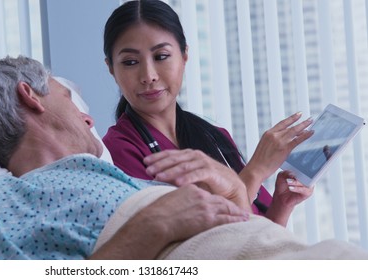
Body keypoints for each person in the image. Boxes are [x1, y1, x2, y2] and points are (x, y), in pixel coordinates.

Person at [0, 56, 368, 260]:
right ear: (29, 96)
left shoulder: (200, 139)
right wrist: (153, 225)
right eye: (68, 98)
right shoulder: (2, 199)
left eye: (163, 56)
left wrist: (235, 195)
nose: (86, 115)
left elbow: (239, 234)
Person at [102, 0, 313, 226]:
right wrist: (255, 172)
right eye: (131, 62)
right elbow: (201, 245)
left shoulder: (214, 135)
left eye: (161, 56)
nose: (148, 75)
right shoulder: (118, 151)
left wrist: (282, 205)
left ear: (184, 56)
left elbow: (260, 239)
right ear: (111, 69)